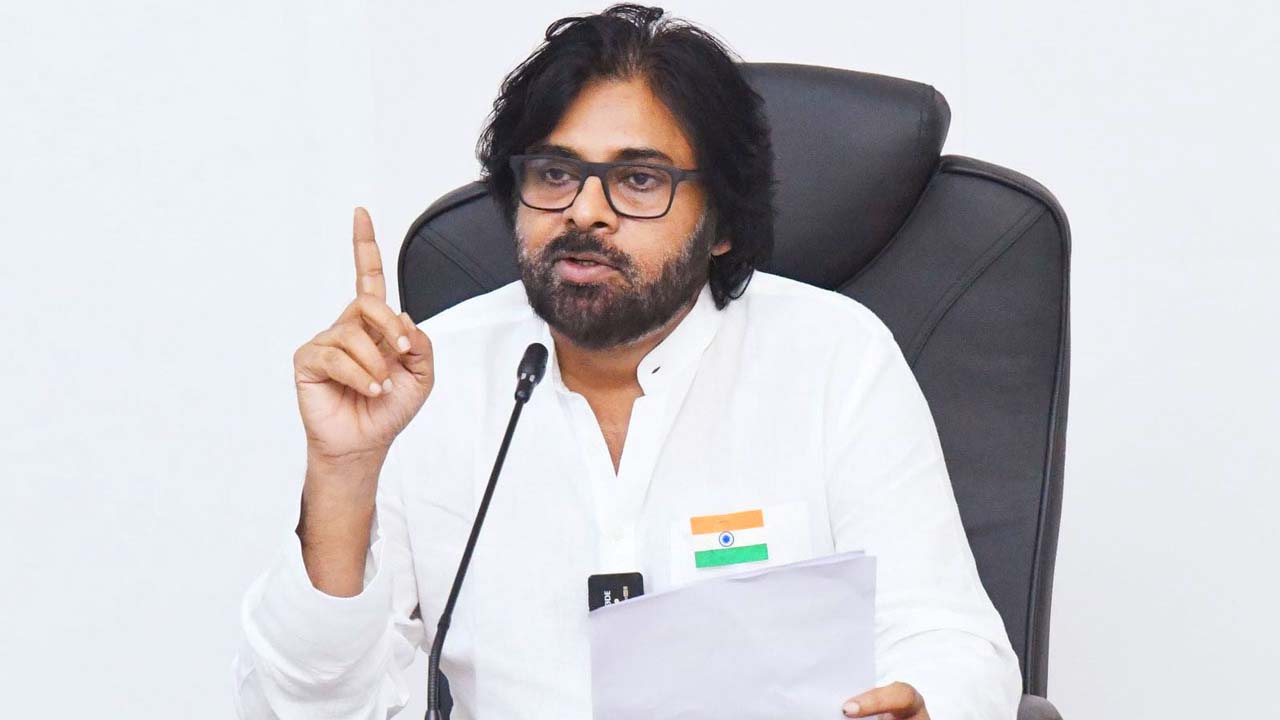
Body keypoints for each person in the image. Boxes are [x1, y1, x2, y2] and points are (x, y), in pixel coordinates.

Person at [231, 4, 1022, 719]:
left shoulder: (834, 358)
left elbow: (950, 642)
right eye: (555, 173)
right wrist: (342, 475)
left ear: (722, 223)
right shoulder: (429, 379)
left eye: (639, 180)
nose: (584, 211)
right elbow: (300, 709)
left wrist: (925, 706)